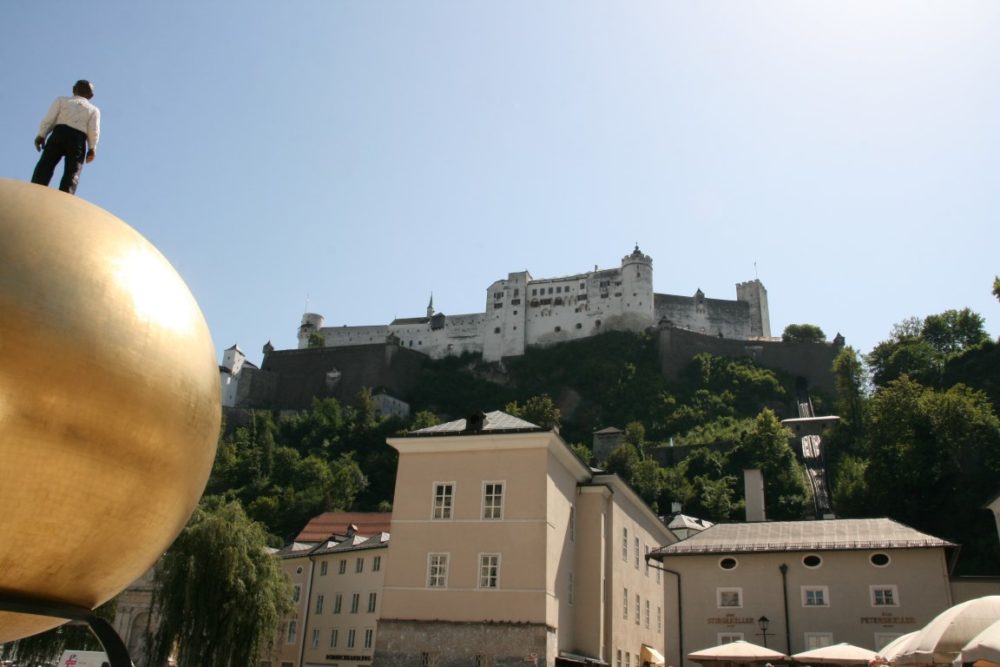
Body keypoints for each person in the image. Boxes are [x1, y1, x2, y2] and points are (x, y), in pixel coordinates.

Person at [31, 79, 101, 195]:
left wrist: (42, 135)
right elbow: (94, 131)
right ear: (91, 95)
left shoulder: (62, 100)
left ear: (74, 89)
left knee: (46, 164)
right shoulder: (94, 110)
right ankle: (66, 196)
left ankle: (36, 189)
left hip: (59, 134)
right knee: (72, 172)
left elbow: (49, 119)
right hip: (78, 140)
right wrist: (92, 148)